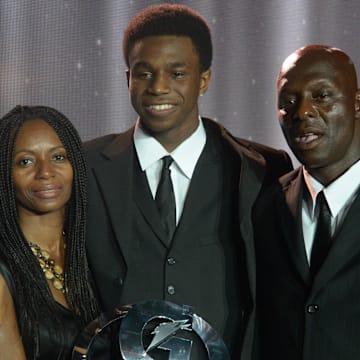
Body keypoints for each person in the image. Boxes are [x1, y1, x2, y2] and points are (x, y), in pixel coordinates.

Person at [84, 4, 292, 359]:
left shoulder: (262, 168)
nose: (158, 87)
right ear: (127, 78)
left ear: (204, 79)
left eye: (177, 73)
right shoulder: (85, 166)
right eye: (144, 73)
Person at [254, 44, 360, 360]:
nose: (302, 112)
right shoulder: (265, 207)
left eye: (321, 96)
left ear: (357, 103)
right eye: (288, 102)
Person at [0, 105, 99, 359]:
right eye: (25, 161)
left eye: (58, 157)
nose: (45, 172)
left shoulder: (95, 252)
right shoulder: (4, 273)